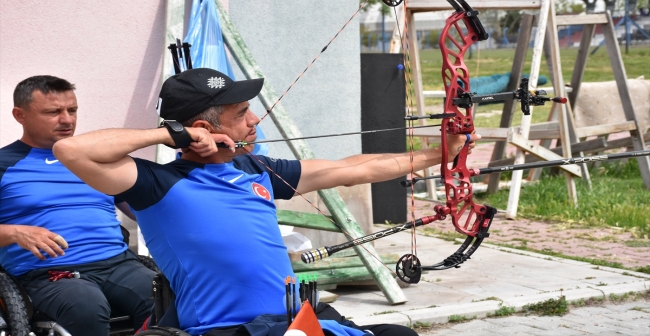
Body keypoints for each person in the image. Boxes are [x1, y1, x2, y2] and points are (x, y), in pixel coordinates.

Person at [53, 68, 480, 336]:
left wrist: (442, 154)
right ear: (204, 127)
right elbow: (71, 151)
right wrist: (171, 135)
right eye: (242, 113)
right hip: (227, 330)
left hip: (295, 322)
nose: (254, 120)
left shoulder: (257, 171)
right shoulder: (155, 183)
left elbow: (354, 168)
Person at [0, 75, 156, 336]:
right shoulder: (4, 164)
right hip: (49, 273)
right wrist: (17, 232)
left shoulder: (95, 159)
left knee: (170, 297)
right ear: (20, 115)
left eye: (72, 110)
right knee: (86, 307)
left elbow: (145, 210)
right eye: (53, 112)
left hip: (120, 264)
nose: (67, 120)